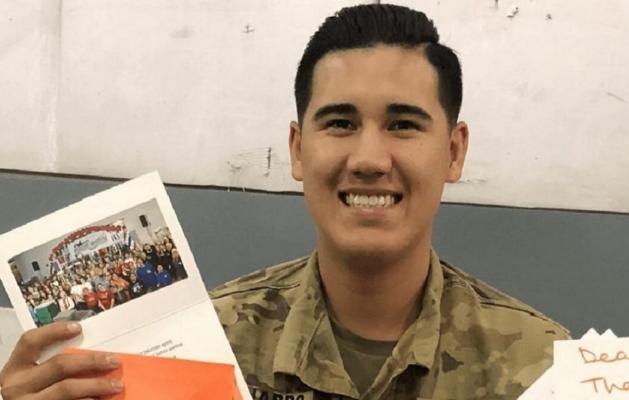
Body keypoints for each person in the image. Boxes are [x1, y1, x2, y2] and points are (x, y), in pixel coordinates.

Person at [0, 4, 567, 400]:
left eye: (403, 124)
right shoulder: (203, 345)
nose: (370, 157)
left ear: (453, 151)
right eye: (340, 122)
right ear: (298, 149)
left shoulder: (543, 368)